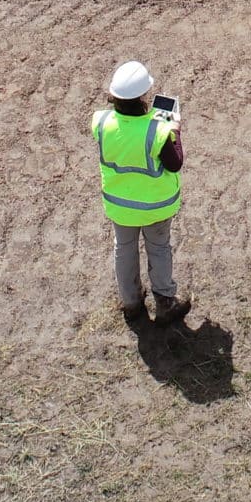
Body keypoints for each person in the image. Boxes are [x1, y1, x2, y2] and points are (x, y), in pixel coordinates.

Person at [92, 60, 188, 323]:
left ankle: (131, 303)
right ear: (144, 97)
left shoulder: (100, 122)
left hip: (119, 206)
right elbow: (175, 162)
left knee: (123, 249)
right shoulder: (158, 129)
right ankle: (165, 302)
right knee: (158, 248)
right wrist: (174, 131)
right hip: (156, 207)